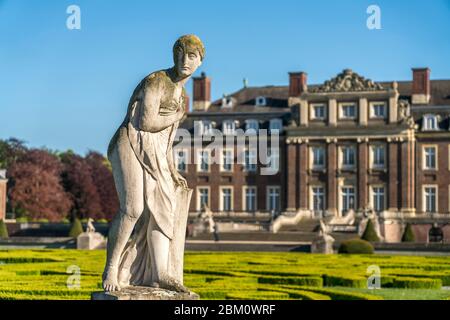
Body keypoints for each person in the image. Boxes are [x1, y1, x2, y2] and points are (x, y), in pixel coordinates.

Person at [102, 35, 205, 292]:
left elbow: (165, 140)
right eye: (180, 54)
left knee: (164, 207)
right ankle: (112, 268)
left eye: (191, 56)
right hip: (129, 141)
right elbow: (146, 123)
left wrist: (171, 169)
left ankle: (160, 273)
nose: (184, 60)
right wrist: (177, 117)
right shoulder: (156, 81)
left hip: (155, 151)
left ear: (200, 62)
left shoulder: (181, 96)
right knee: (133, 209)